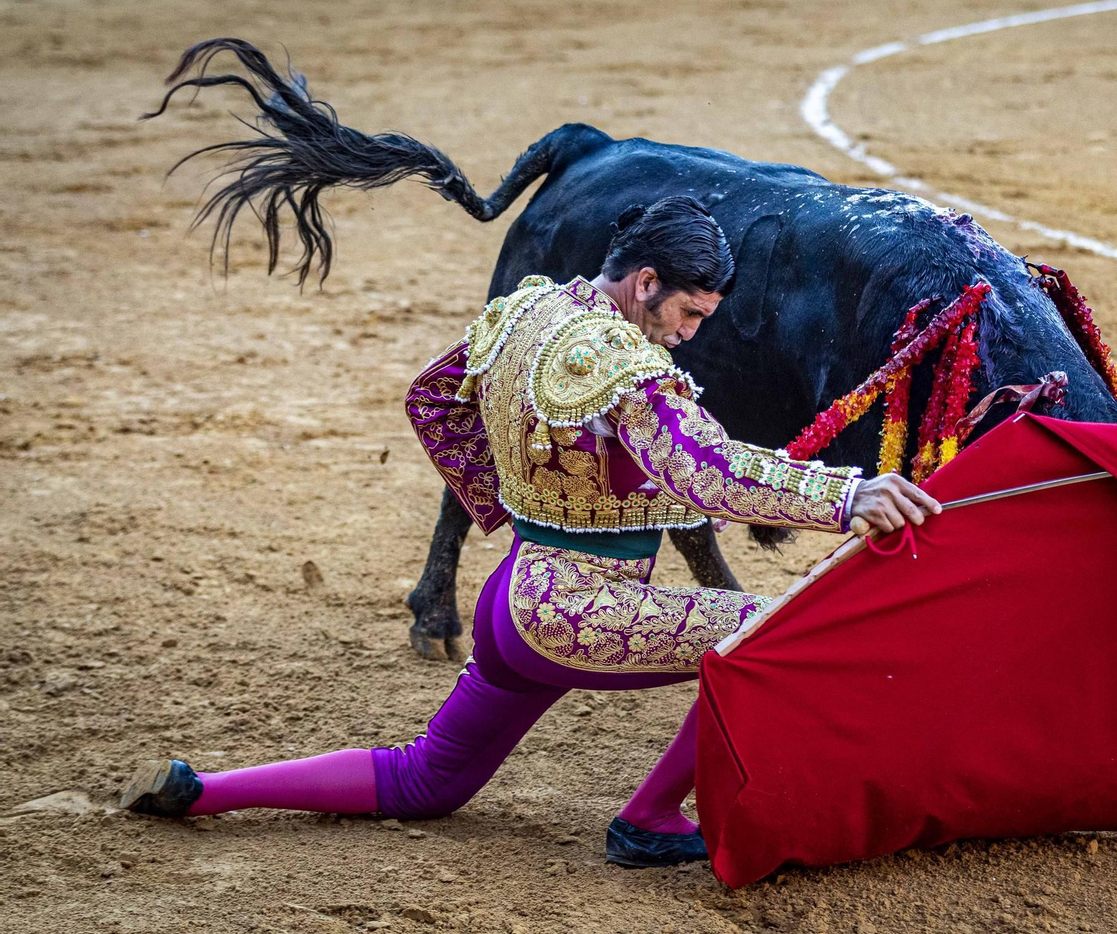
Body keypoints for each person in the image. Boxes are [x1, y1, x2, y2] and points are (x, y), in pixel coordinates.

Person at [119, 196, 940, 866]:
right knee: (774, 636)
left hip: (513, 596)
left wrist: (512, 501)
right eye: (688, 312)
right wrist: (845, 495)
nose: (691, 334)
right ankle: (651, 816)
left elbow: (434, 398)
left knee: (426, 781)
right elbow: (708, 472)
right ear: (646, 280)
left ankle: (207, 788)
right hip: (577, 612)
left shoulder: (526, 311)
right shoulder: (627, 363)